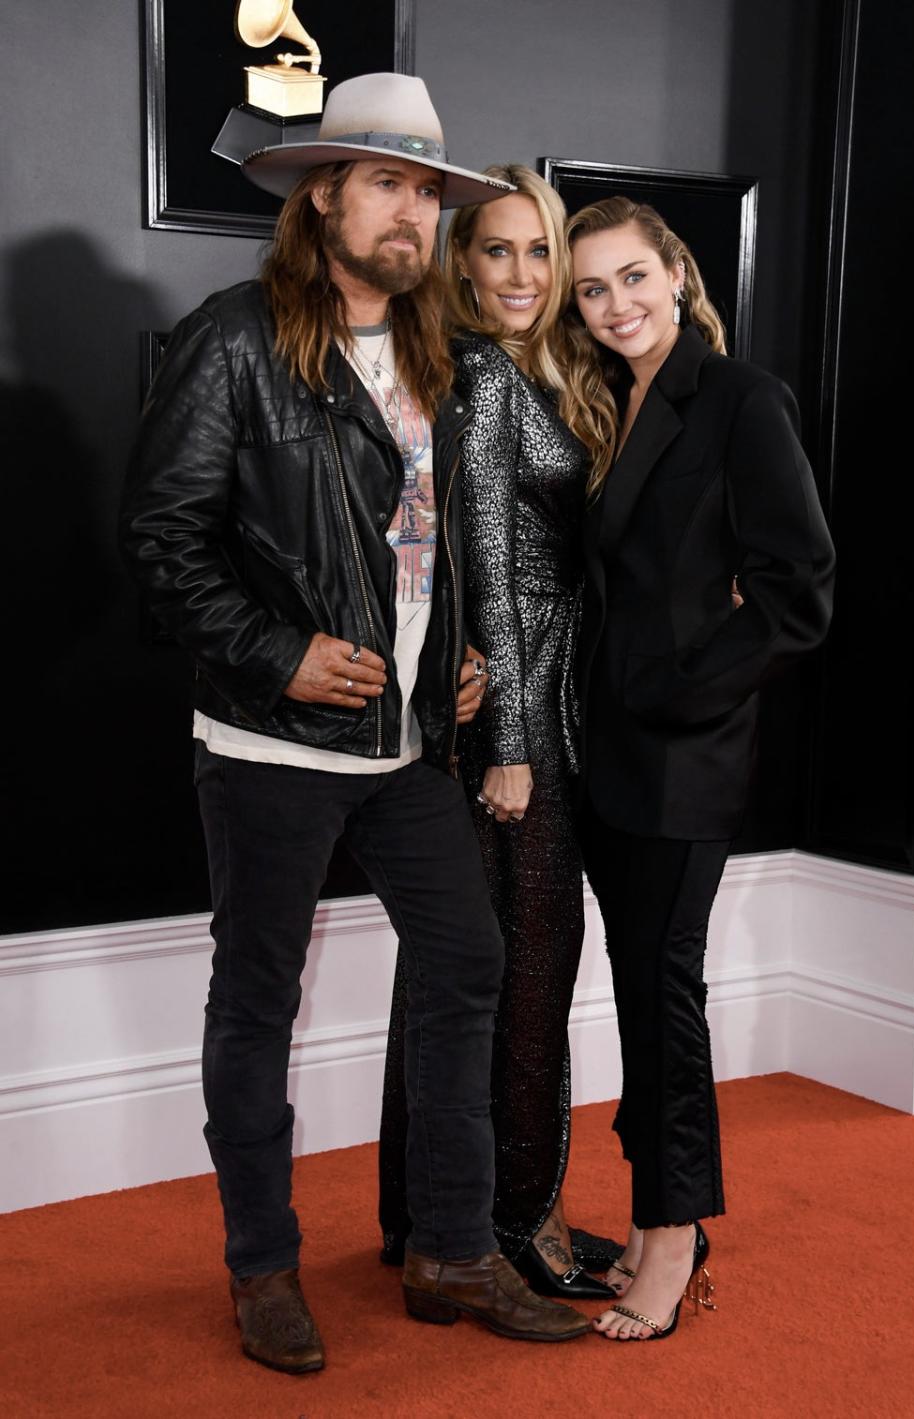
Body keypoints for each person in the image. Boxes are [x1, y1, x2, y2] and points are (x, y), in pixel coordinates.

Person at [119, 74, 591, 1375]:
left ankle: (449, 1246)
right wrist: (280, 652)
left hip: (407, 751)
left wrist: (450, 663)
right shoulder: (235, 339)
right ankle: (262, 1266)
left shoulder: (443, 354)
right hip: (273, 746)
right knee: (259, 1001)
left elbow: (431, 551)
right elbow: (160, 543)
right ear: (321, 191)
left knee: (469, 960)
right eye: (387, 181)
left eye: (430, 190)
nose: (414, 212)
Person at [567, 197, 835, 1341]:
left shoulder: (740, 398)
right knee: (636, 985)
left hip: (684, 754)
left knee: (665, 992)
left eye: (633, 278)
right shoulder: (600, 401)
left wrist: (676, 691)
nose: (616, 305)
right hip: (600, 751)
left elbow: (798, 591)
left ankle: (675, 1232)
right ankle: (648, 1212)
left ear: (677, 273)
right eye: (592, 289)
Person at [378, 165, 620, 1299]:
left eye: (540, 251)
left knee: (468, 979)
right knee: (525, 980)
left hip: (519, 720)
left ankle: (434, 1216)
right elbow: (492, 576)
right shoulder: (479, 377)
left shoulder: (529, 373)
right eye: (498, 252)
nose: (522, 275)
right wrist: (515, 746)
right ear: (460, 264)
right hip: (515, 738)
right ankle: (515, 1226)